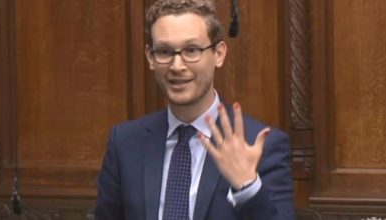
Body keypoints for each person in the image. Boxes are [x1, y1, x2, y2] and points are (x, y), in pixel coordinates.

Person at [94, 0, 294, 219]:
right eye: (164, 51)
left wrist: (247, 187)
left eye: (191, 50)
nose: (177, 66)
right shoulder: (124, 142)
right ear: (150, 57)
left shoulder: (260, 145)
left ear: (219, 53)